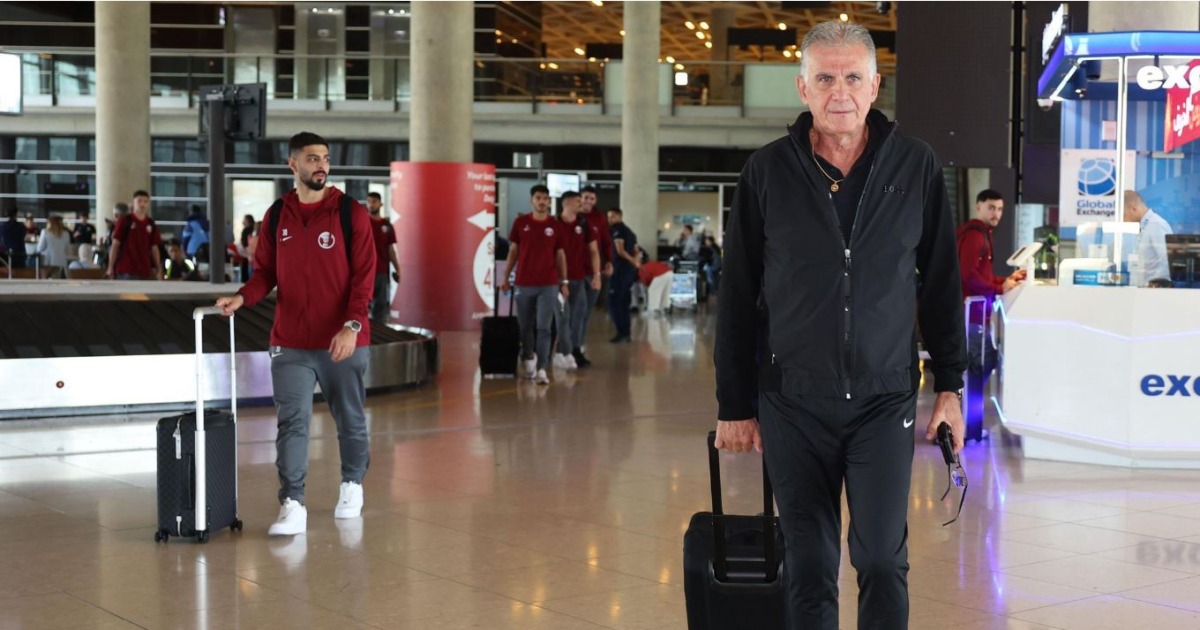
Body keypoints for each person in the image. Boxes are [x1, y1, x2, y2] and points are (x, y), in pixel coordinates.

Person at [713, 22, 967, 629]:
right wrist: (734, 403)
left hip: (884, 398)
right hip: (792, 400)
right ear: (802, 87)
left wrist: (951, 388)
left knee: (881, 559)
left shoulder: (916, 165)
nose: (840, 92)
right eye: (825, 78)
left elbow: (939, 283)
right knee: (810, 563)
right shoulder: (767, 172)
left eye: (853, 77)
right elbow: (739, 295)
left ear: (875, 85)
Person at [215, 131, 376, 537]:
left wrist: (351, 326)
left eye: (324, 157)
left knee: (350, 419)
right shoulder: (276, 215)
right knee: (292, 424)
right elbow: (265, 273)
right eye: (311, 158)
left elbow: (364, 278)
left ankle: (352, 484)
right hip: (290, 341)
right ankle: (293, 502)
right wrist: (242, 298)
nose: (320, 164)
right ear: (293, 165)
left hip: (343, 339)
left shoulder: (349, 213)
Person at [500, 184, 569, 385]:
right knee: (525, 325)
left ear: (549, 201)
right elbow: (513, 251)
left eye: (545, 198)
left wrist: (564, 282)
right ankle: (528, 356)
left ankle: (542, 369)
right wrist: (505, 278)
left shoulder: (556, 226)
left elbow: (560, 255)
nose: (541, 202)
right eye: (538, 198)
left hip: (548, 284)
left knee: (544, 327)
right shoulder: (521, 223)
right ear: (532, 200)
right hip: (524, 282)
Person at [957, 189, 1026, 379]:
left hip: (975, 314)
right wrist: (998, 288)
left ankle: (968, 407)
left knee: (981, 363)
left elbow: (980, 274)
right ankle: (968, 408)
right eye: (991, 208)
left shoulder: (983, 234)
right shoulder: (975, 236)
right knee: (981, 363)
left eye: (1000, 209)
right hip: (971, 314)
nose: (996, 214)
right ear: (978, 207)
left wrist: (1005, 281)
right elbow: (967, 274)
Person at [553, 191, 601, 370]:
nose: (582, 204)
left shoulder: (583, 224)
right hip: (556, 279)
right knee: (561, 317)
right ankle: (559, 351)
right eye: (578, 201)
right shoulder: (554, 224)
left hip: (578, 278)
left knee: (578, 315)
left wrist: (596, 275)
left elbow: (594, 250)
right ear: (566, 204)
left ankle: (574, 349)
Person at [576, 185, 612, 365]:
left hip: (593, 272)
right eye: (585, 197)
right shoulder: (573, 216)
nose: (588, 201)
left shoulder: (599, 218)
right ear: (579, 198)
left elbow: (606, 241)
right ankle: (570, 347)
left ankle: (579, 345)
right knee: (575, 311)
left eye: (591, 198)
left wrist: (609, 261)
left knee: (585, 312)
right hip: (574, 272)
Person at [105, 190, 163, 281]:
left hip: (145, 270)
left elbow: (154, 247)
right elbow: (115, 245)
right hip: (126, 269)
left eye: (145, 201)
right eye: (139, 201)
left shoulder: (151, 223)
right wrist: (110, 267)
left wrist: (158, 268)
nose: (142, 204)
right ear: (133, 203)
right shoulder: (125, 221)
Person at [365, 192, 401, 323]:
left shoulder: (387, 225)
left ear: (380, 204)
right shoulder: (362, 222)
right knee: (362, 305)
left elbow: (391, 249)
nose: (371, 204)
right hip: (364, 271)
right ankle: (363, 337)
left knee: (381, 306)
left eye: (374, 201)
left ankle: (378, 337)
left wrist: (398, 269)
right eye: (369, 201)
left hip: (381, 272)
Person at [1124, 189, 1173, 285]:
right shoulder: (1145, 226)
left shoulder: (1156, 224)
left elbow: (1167, 261)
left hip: (1154, 291)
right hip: (1144, 290)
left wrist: (1152, 284)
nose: (1124, 220)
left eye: (1124, 215)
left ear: (1133, 209)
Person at [606, 207, 640, 343]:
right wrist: (635, 262)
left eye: (612, 216)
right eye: (608, 217)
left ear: (619, 216)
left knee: (614, 302)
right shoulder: (630, 232)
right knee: (624, 302)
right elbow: (637, 250)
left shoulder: (617, 230)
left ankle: (622, 333)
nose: (610, 219)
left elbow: (619, 250)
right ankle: (626, 333)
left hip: (619, 271)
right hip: (628, 272)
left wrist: (631, 261)